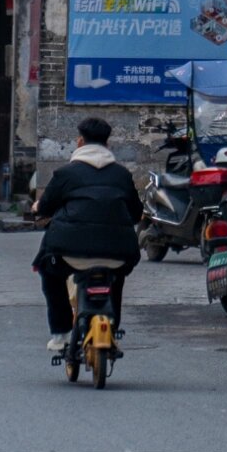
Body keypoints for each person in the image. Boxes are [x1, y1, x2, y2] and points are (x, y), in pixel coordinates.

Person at [29, 115, 141, 361]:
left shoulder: (66, 173)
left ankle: (61, 333)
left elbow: (45, 206)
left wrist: (37, 208)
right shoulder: (122, 175)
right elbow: (136, 213)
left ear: (79, 142)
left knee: (48, 272)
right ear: (107, 145)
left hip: (71, 254)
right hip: (118, 253)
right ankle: (111, 327)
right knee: (117, 278)